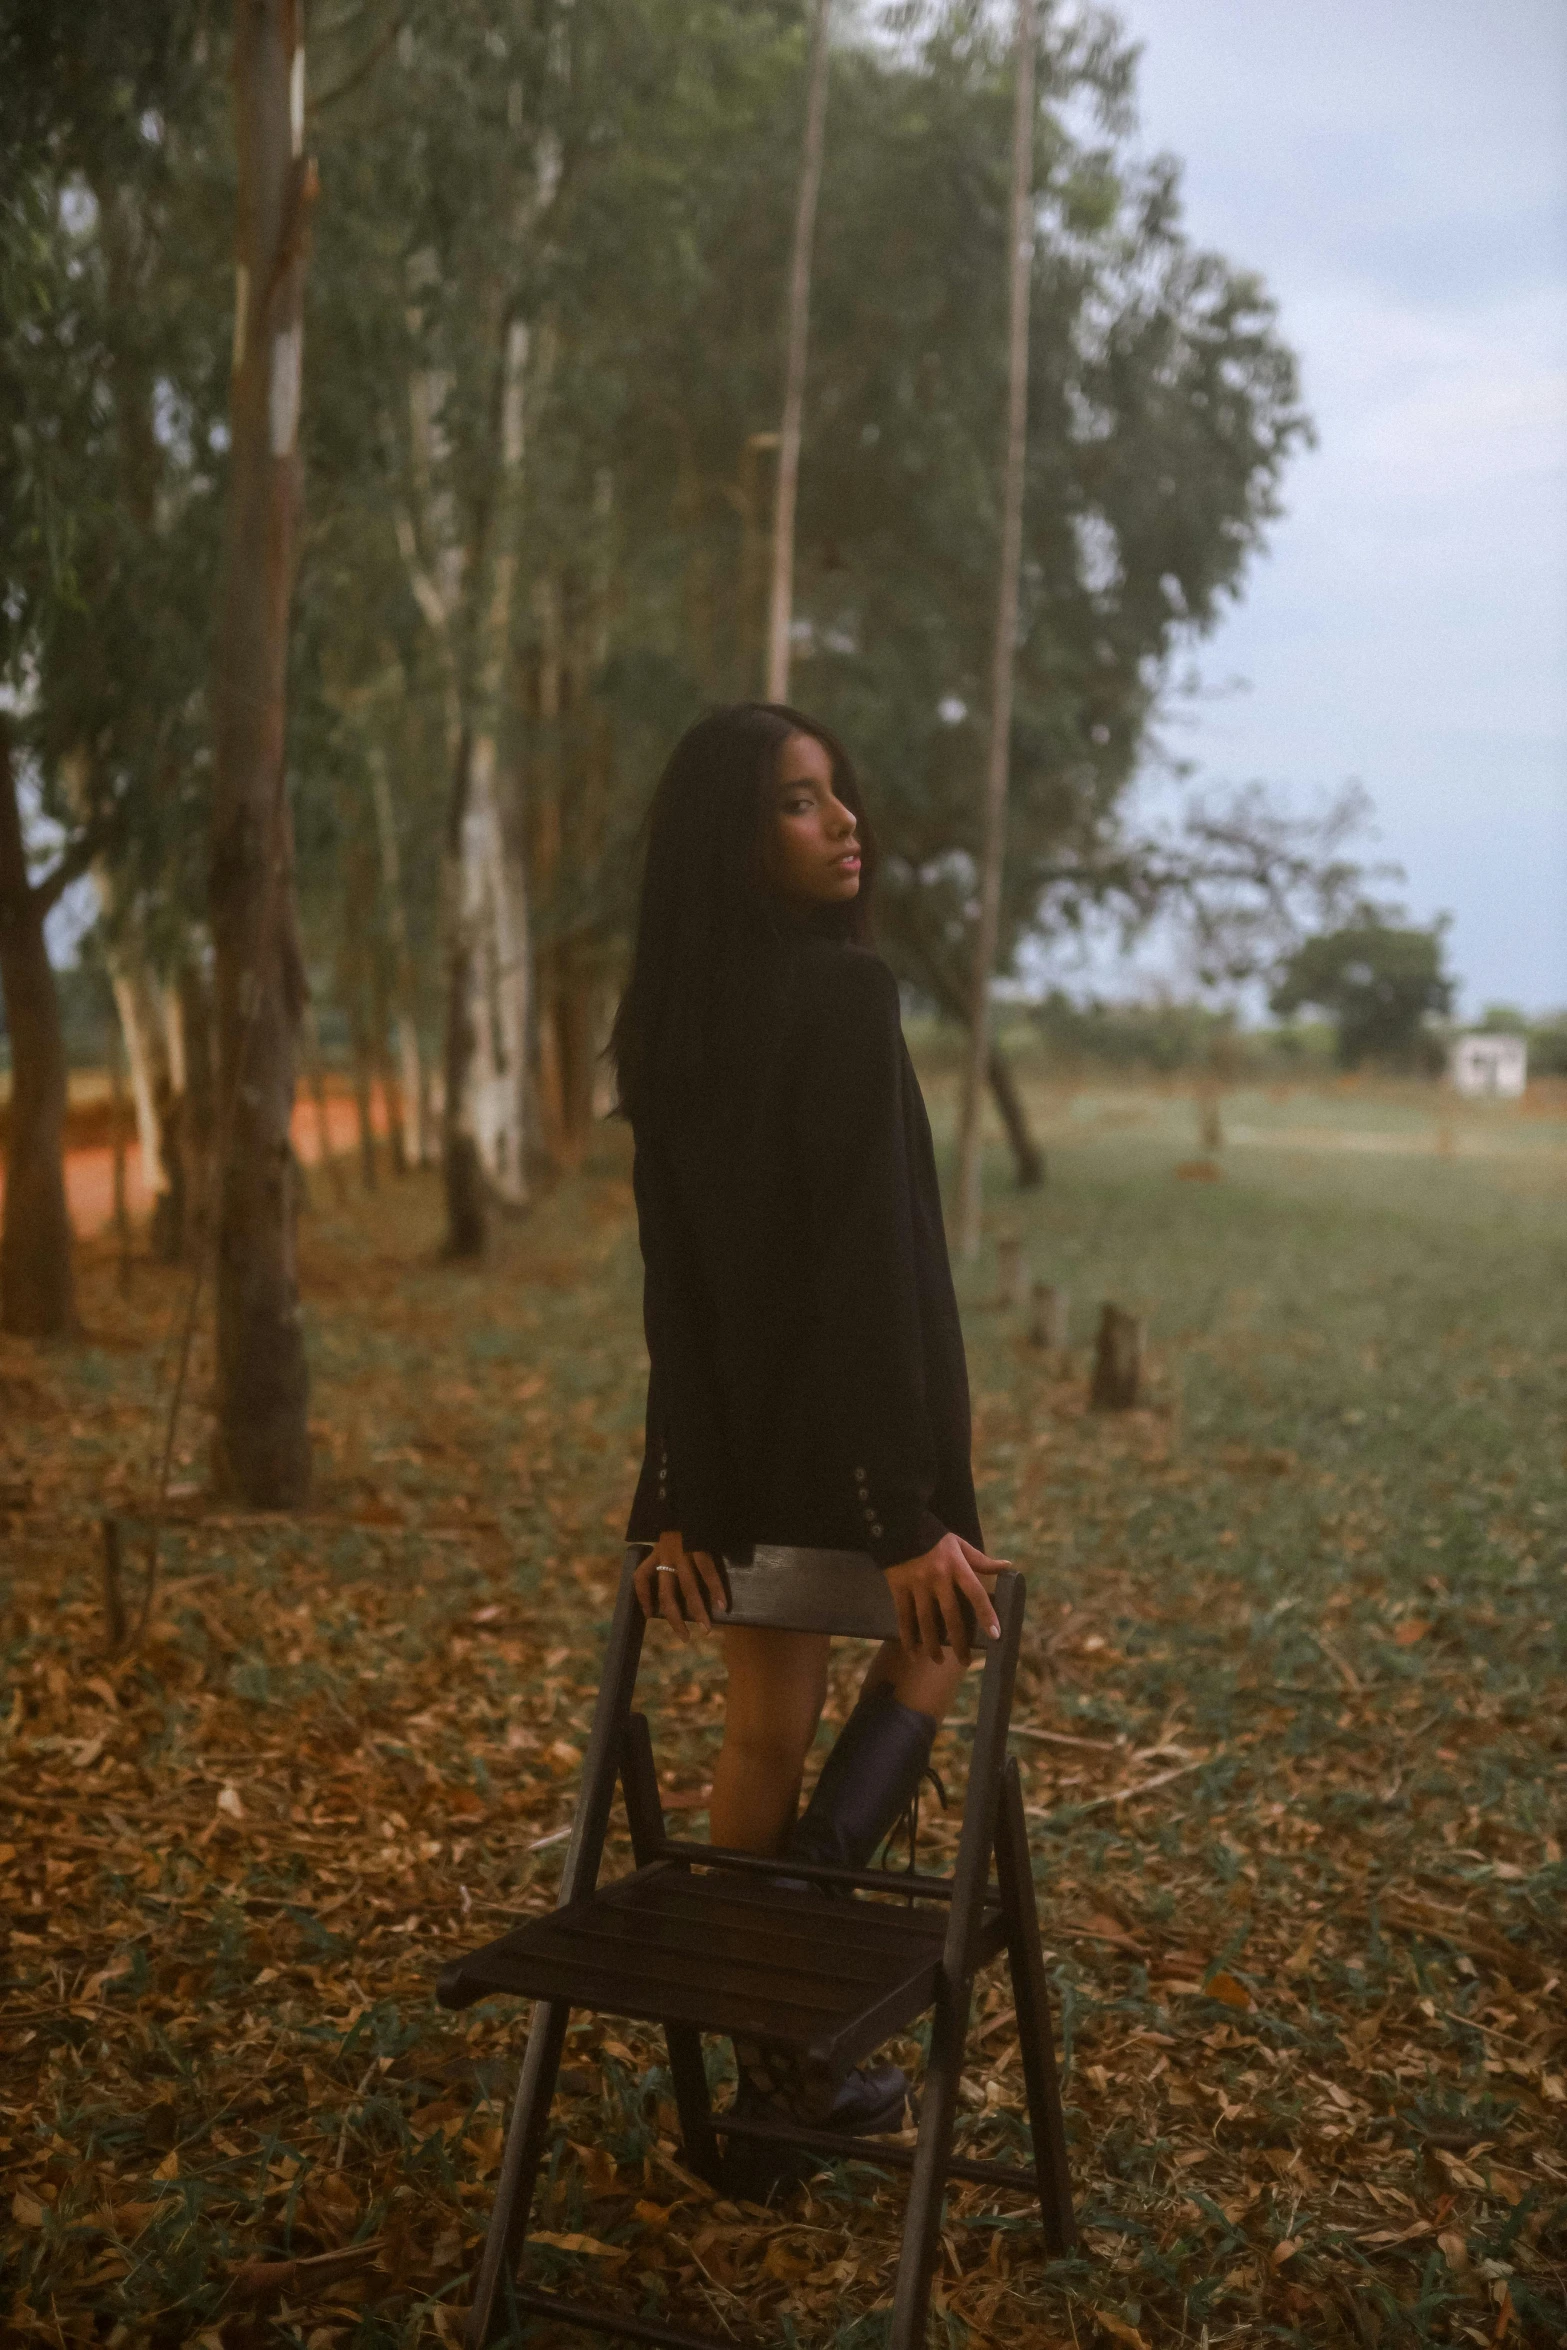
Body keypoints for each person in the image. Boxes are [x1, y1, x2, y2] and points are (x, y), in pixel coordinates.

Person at [610, 702, 1007, 2187]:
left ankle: (766, 2100)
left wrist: (675, 1496)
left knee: (757, 1732)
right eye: (797, 802)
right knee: (946, 1630)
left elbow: (678, 1288)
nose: (843, 822)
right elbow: (867, 1270)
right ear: (732, 838)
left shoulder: (669, 1018)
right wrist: (901, 1513)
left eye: (838, 793)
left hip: (738, 1466)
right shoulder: (843, 999)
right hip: (863, 1451)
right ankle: (802, 1950)